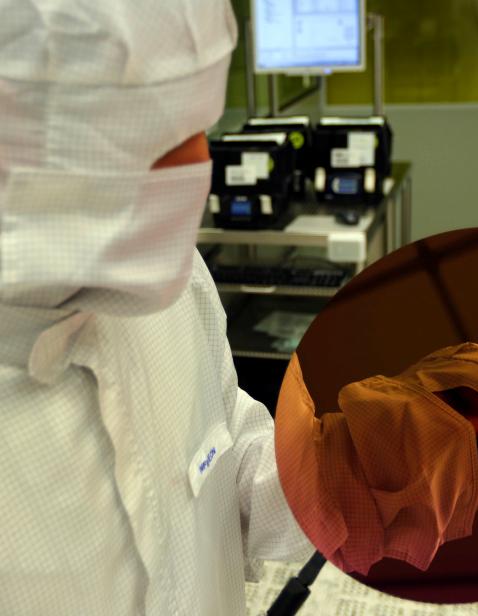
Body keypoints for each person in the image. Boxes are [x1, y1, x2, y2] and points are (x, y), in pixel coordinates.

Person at [0, 1, 313, 614]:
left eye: (197, 116)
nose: (196, 166)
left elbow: (226, 468)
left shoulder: (167, 275)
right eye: (140, 129)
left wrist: (342, 474)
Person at [276, 343, 478, 576]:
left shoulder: (330, 559)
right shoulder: (277, 404)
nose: (460, 432)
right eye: (459, 402)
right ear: (413, 383)